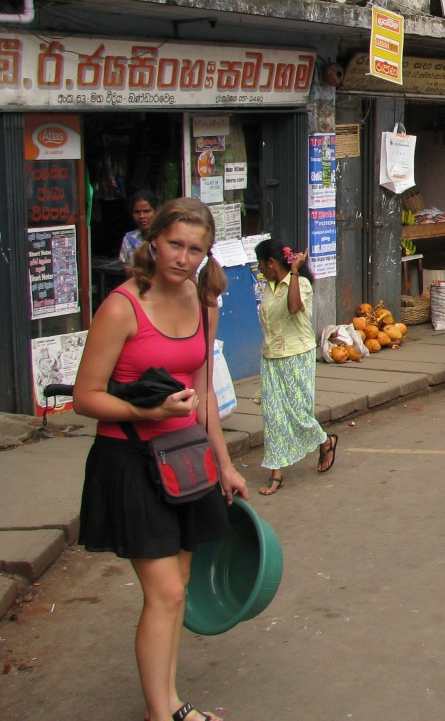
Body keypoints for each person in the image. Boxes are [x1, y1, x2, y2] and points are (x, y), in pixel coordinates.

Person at [73, 198, 248, 721]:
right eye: (175, 244)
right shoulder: (123, 306)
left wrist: (227, 464)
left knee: (178, 591)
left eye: (195, 249)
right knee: (167, 591)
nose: (183, 256)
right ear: (154, 241)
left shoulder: (203, 302)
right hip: (131, 460)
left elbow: (205, 393)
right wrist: (143, 411)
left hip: (188, 461)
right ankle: (162, 713)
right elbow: (85, 397)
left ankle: (169, 702)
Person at [253, 239, 336, 496]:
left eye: (261, 263)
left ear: (271, 262)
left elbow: (293, 308)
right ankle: (276, 473)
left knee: (299, 413)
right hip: (271, 357)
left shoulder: (302, 284)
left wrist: (296, 271)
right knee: (274, 416)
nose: (259, 268)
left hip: (297, 354)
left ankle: (325, 441)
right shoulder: (266, 287)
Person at [119, 190, 160, 263]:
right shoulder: (128, 239)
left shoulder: (165, 238)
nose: (141, 216)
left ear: (156, 211)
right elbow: (127, 268)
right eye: (137, 212)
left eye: (146, 211)